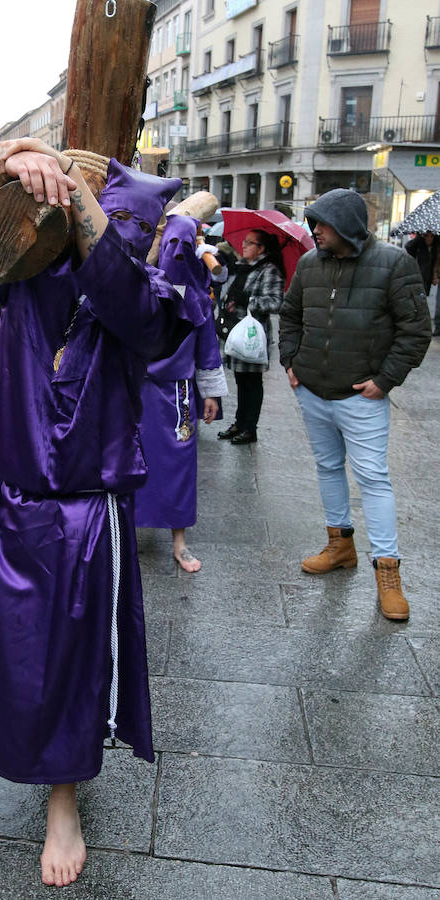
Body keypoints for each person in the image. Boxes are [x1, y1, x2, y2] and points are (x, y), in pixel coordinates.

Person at [0, 139, 190, 887]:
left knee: (74, 662)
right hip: (7, 500)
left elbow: (146, 320)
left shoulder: (149, 285)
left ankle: (64, 805)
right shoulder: (21, 272)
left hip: (85, 516)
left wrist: (83, 199)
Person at [279, 188, 431, 621]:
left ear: (346, 224)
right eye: (313, 223)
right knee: (327, 468)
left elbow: (416, 330)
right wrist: (291, 362)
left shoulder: (394, 263)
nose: (315, 231)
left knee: (374, 480)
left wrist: (384, 381)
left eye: (322, 223)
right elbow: (289, 316)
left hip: (361, 397)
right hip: (312, 391)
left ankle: (388, 572)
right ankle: (340, 545)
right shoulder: (309, 264)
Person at [135, 212, 227, 571]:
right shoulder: (137, 283)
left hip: (178, 392)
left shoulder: (197, 294)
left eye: (183, 246)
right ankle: (123, 530)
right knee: (126, 455)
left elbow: (207, 344)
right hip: (135, 387)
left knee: (178, 461)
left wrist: (210, 394)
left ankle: (179, 541)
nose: (177, 253)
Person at [217, 228, 285, 445]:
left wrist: (248, 301)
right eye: (244, 242)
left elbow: (277, 302)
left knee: (252, 383)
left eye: (250, 243)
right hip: (237, 334)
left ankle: (250, 428)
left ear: (261, 248)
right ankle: (239, 422)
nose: (244, 246)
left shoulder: (269, 270)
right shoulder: (243, 267)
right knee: (240, 379)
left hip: (253, 336)